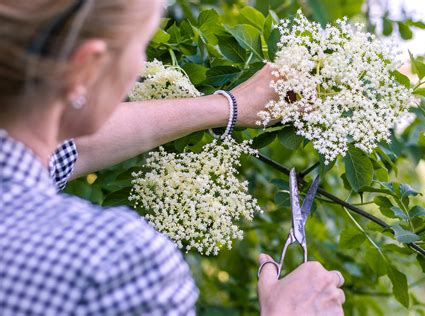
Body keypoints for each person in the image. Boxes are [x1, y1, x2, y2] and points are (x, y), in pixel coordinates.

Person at [0, 0, 345, 315]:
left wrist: (227, 107)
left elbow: (70, 148)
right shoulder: (116, 263)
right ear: (87, 67)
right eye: (141, 44)